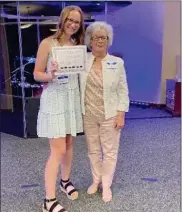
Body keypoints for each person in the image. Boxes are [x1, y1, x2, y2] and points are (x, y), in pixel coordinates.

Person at [33, 5, 85, 212]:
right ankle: (48, 201)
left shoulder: (75, 44)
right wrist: (50, 75)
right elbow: (37, 73)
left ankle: (65, 181)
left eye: (77, 22)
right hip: (54, 99)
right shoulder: (48, 43)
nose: (73, 24)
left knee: (69, 143)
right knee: (58, 150)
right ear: (63, 20)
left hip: (70, 98)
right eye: (70, 20)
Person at [80, 21, 129, 203]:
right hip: (89, 114)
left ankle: (106, 184)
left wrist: (121, 114)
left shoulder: (117, 63)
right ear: (90, 40)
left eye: (104, 37)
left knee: (109, 151)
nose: (100, 41)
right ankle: (96, 180)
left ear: (108, 40)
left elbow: (123, 90)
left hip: (110, 114)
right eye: (96, 37)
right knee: (93, 150)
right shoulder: (82, 60)